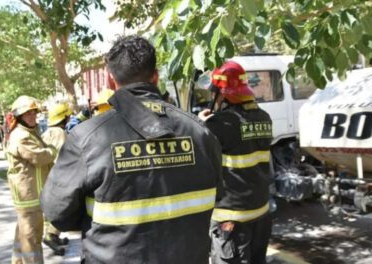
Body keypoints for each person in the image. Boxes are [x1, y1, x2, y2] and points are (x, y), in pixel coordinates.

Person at [40, 35, 224, 264]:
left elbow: (57, 213)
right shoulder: (201, 132)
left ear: (109, 80)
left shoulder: (86, 137)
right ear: (155, 77)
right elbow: (218, 194)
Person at [198, 61, 273, 264]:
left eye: (214, 93)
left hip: (231, 220)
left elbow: (199, 153)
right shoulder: (265, 118)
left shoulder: (220, 124)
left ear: (223, 94)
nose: (212, 97)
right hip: (261, 213)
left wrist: (200, 124)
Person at [6, 95, 58, 263]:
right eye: (28, 114)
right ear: (19, 116)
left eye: (34, 113)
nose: (33, 116)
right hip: (28, 195)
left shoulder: (31, 133)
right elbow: (41, 157)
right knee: (31, 236)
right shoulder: (22, 136)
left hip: (33, 194)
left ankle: (18, 261)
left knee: (23, 233)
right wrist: (52, 150)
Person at [40, 102, 72, 253]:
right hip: (58, 177)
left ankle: (51, 235)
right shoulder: (59, 133)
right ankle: (51, 236)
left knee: (50, 209)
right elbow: (63, 156)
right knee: (63, 207)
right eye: (68, 116)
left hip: (48, 177)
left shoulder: (49, 132)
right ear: (64, 117)